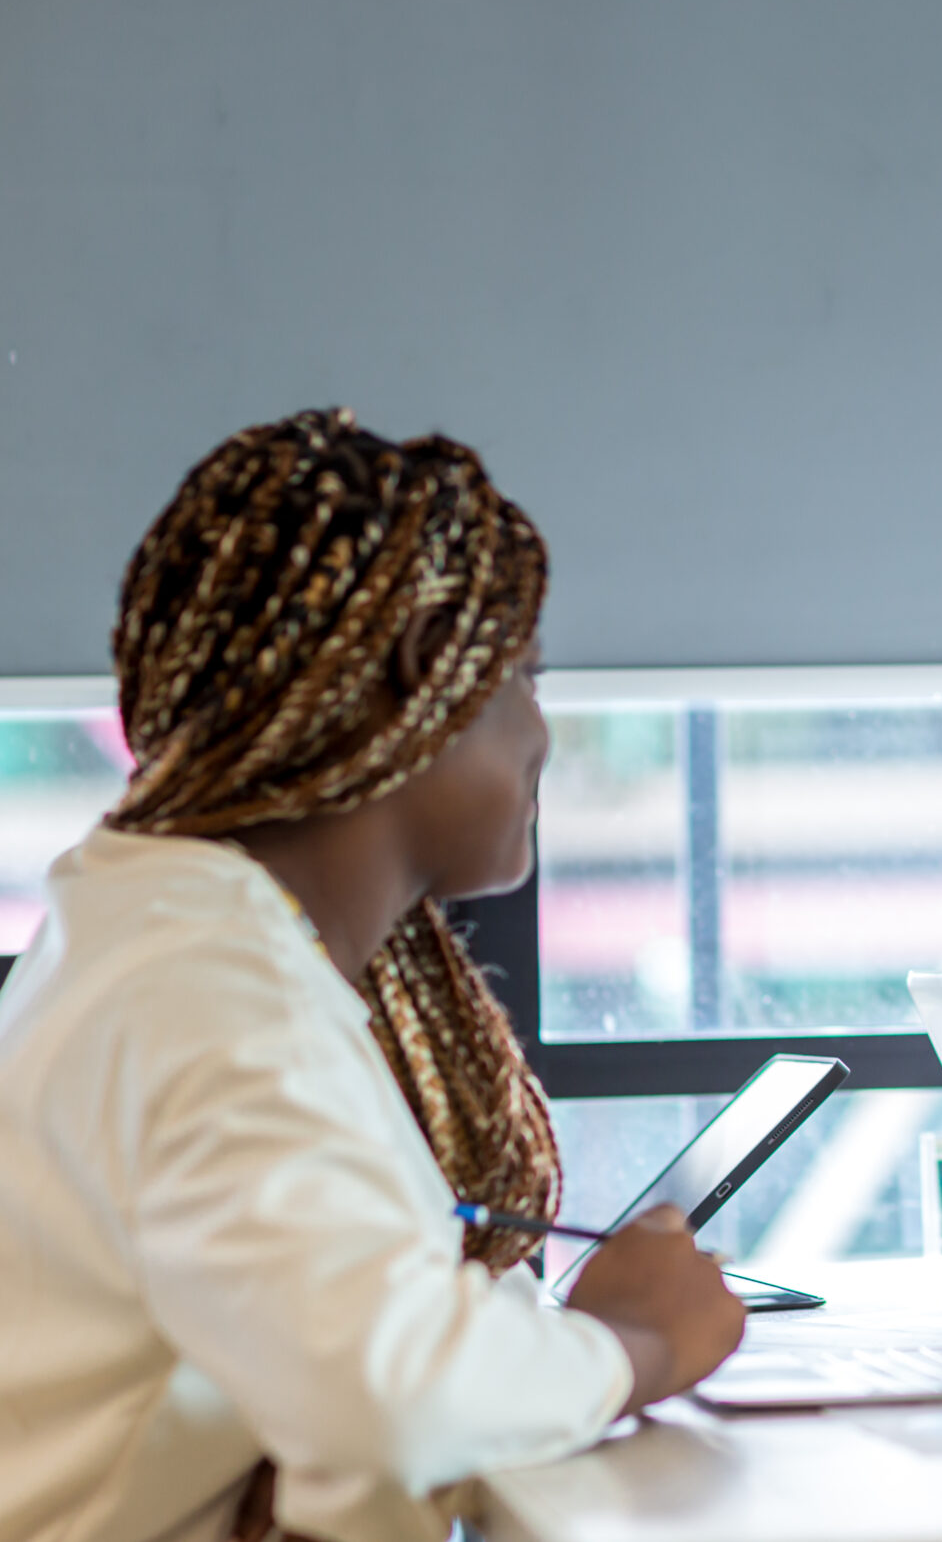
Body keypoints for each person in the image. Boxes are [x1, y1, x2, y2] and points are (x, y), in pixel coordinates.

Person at [0, 412, 744, 1542]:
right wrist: (633, 1346)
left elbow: (336, 1370)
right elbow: (389, 1403)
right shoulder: (209, 992)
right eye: (526, 679)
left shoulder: (157, 929)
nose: (543, 735)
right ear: (421, 672)